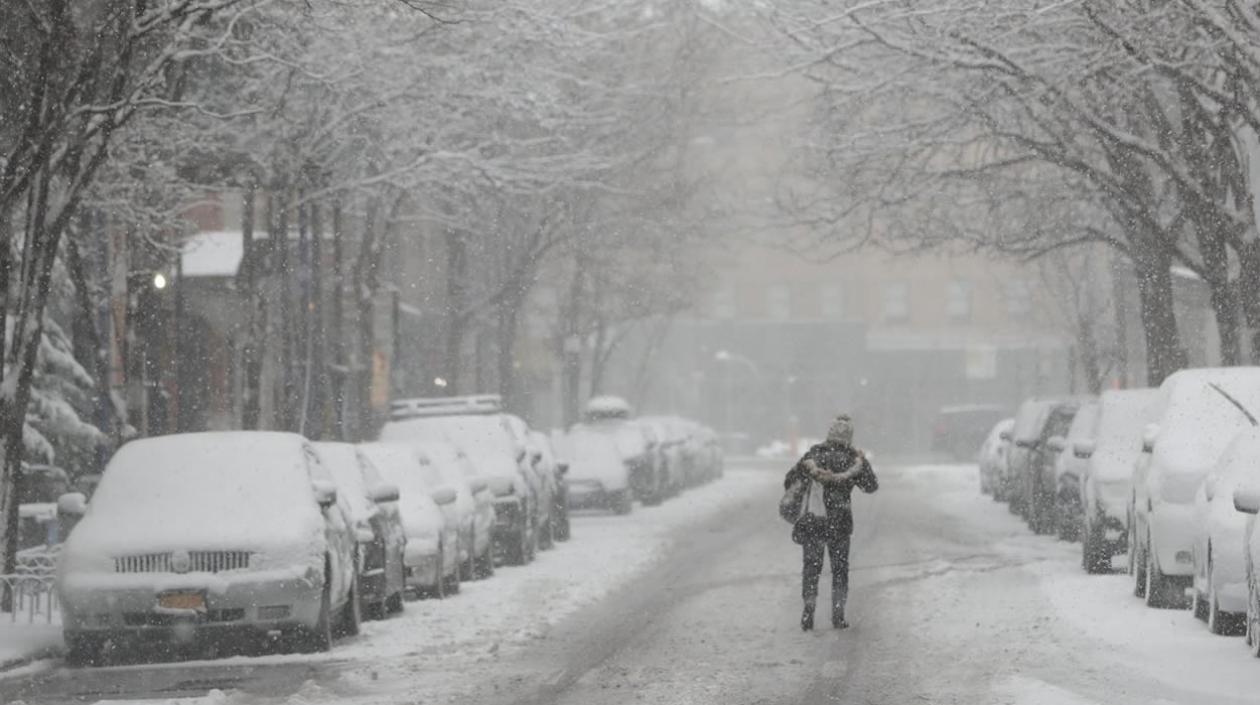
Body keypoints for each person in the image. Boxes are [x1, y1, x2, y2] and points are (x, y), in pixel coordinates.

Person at [783, 414, 878, 630]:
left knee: (811, 568)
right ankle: (838, 613)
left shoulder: (814, 454)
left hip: (815, 521)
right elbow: (871, 486)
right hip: (840, 522)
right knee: (839, 569)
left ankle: (808, 610)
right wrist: (863, 463)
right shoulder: (853, 459)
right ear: (849, 437)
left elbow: (789, 479)